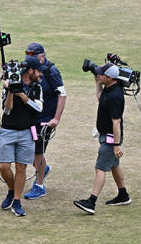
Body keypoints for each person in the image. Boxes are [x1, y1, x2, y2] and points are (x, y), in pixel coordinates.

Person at [73, 61, 130, 214]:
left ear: (110, 78)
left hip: (111, 139)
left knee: (100, 168)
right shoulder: (109, 88)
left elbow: (116, 122)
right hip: (107, 136)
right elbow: (100, 97)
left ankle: (91, 202)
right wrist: (96, 78)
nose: (99, 76)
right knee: (113, 165)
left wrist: (116, 145)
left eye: (101, 74)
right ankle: (123, 195)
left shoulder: (115, 96)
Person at [0, 55, 43, 217]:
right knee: (3, 166)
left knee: (21, 168)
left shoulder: (37, 87)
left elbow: (38, 109)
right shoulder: (9, 84)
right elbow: (7, 110)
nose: (41, 74)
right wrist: (10, 91)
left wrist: (22, 94)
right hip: (8, 131)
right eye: (38, 71)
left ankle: (16, 201)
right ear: (30, 71)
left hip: (26, 133)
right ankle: (11, 189)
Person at [23, 43, 66, 201]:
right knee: (30, 151)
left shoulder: (51, 71)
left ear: (42, 57)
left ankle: (39, 186)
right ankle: (42, 168)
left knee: (37, 151)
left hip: (44, 121)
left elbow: (62, 94)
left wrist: (56, 118)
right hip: (31, 118)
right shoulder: (29, 68)